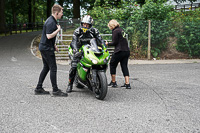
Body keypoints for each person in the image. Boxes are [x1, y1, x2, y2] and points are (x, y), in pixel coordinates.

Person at [35, 4, 68, 96]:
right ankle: (55, 90)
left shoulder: (52, 20)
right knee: (53, 68)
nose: (62, 14)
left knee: (46, 67)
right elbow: (49, 36)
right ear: (56, 13)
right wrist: (58, 30)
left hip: (46, 47)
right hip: (46, 48)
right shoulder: (51, 22)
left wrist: (54, 45)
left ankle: (38, 88)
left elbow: (49, 36)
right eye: (61, 12)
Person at [66, 15, 106, 93]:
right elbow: (74, 41)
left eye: (87, 24)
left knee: (99, 61)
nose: (85, 26)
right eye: (84, 24)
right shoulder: (77, 31)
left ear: (90, 25)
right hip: (79, 49)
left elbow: (100, 40)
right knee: (74, 66)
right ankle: (70, 84)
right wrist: (75, 50)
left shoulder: (94, 31)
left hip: (90, 49)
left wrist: (104, 48)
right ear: (81, 24)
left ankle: (97, 78)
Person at [105, 19, 131, 89]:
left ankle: (113, 82)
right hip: (126, 51)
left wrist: (107, 44)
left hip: (119, 51)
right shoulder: (121, 30)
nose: (110, 28)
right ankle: (127, 84)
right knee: (124, 66)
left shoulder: (115, 31)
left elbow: (114, 42)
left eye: (110, 26)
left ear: (112, 25)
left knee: (112, 64)